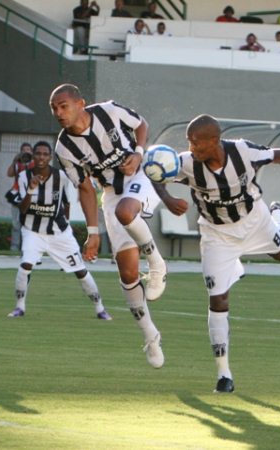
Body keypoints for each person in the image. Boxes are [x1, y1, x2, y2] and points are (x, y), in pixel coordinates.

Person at [152, 114, 280, 393]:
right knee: (217, 298)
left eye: (196, 143)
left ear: (214, 140)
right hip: (217, 235)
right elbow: (157, 175)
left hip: (255, 221)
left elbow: (274, 155)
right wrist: (167, 198)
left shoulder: (242, 151)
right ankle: (224, 373)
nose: (191, 149)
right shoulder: (187, 163)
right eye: (189, 143)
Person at [49, 84, 166, 369]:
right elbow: (85, 188)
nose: (58, 113)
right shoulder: (64, 147)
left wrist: (138, 152)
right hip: (111, 193)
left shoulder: (108, 111)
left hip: (139, 176)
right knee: (127, 272)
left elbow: (141, 125)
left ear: (80, 103)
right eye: (54, 108)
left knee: (128, 212)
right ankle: (151, 336)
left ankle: (157, 265)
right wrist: (92, 233)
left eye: (63, 106)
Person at [7, 141, 111, 321]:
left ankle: (100, 308)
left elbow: (67, 202)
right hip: (33, 230)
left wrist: (67, 223)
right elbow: (22, 209)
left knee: (80, 270)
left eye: (45, 154)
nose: (41, 157)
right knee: (25, 266)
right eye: (37, 153)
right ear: (33, 156)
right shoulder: (24, 177)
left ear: (50, 157)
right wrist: (31, 189)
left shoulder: (61, 177)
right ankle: (19, 307)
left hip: (59, 232)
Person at [6, 142, 34, 251]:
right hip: (17, 194)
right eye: (24, 150)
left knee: (29, 223)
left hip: (30, 194)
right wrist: (15, 161)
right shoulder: (18, 164)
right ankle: (14, 246)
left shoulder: (35, 163)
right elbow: (9, 174)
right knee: (16, 222)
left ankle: (27, 247)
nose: (26, 152)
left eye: (28, 150)